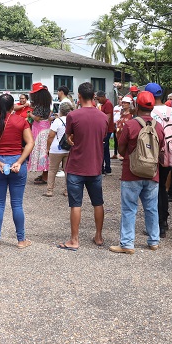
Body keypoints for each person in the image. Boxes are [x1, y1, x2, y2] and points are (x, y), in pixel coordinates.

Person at [110, 91, 165, 254]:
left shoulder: (130, 125)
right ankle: (154, 241)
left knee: (129, 208)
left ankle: (127, 244)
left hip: (131, 172)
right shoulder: (159, 126)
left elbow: (120, 148)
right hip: (152, 173)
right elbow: (161, 148)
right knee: (151, 208)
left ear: (136, 106)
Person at [57, 82, 108, 251]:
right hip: (95, 165)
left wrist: (72, 140)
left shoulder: (73, 115)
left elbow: (69, 136)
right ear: (94, 96)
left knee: (76, 204)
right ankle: (99, 236)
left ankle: (74, 239)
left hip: (77, 165)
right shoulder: (103, 117)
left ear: (79, 96)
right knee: (98, 202)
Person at [0, 94, 34, 249]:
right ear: (13, 107)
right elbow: (30, 142)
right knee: (17, 204)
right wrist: (19, 161)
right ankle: (21, 240)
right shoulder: (21, 121)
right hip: (17, 162)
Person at [147, 82, 172, 236]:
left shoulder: (150, 112)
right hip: (170, 152)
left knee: (154, 189)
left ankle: (157, 224)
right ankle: (164, 221)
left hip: (155, 153)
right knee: (162, 188)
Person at [45, 101, 73, 197]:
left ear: (60, 110)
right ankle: (67, 191)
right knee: (67, 170)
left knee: (52, 169)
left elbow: (51, 136)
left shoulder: (57, 121)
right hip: (68, 148)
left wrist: (47, 148)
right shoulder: (72, 120)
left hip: (56, 149)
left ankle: (50, 190)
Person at [28, 83, 53, 184]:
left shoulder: (39, 105)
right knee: (44, 151)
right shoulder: (47, 104)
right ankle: (44, 174)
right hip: (46, 128)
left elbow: (37, 118)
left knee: (41, 151)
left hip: (39, 130)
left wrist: (30, 114)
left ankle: (45, 176)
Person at [97, 90, 115, 175]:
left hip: (106, 130)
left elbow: (108, 118)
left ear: (102, 96)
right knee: (105, 149)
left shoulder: (108, 104)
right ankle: (107, 168)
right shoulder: (103, 104)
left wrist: (102, 129)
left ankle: (103, 168)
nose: (98, 101)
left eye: (98, 99)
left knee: (102, 149)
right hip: (105, 130)